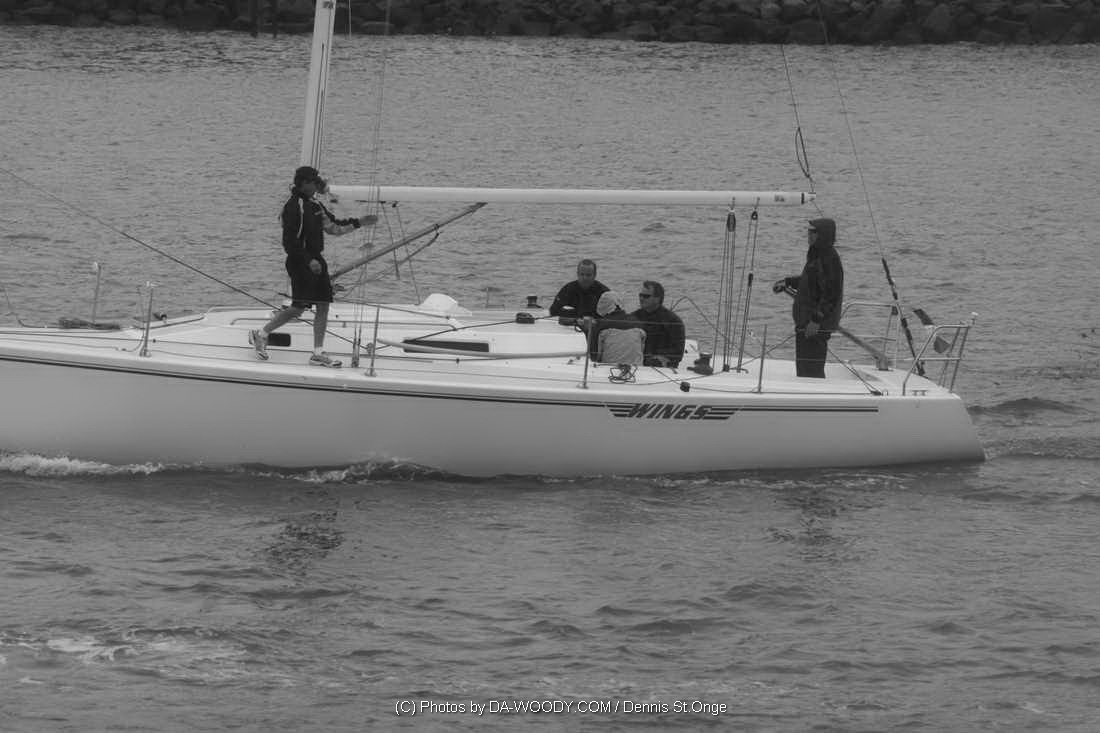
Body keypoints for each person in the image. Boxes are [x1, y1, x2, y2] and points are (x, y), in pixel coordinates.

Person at [250, 166, 376, 367]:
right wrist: (309, 260)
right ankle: (261, 334)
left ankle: (317, 353)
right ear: (303, 183)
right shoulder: (294, 206)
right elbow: (289, 242)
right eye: (313, 181)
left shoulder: (315, 204)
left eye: (317, 181)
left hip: (317, 260)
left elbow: (333, 227)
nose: (317, 185)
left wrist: (359, 223)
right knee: (298, 308)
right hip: (300, 261)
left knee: (323, 305)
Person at [771, 218, 844, 378]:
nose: (809, 234)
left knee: (812, 372)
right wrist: (788, 282)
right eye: (809, 231)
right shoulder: (816, 254)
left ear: (823, 235)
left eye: (814, 232)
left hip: (815, 326)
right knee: (804, 370)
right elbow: (810, 281)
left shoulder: (829, 259)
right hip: (805, 322)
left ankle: (817, 393)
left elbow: (831, 294)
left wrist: (816, 320)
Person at [631, 280, 686, 368]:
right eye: (640, 295)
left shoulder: (673, 321)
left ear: (657, 299)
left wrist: (657, 357)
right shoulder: (633, 317)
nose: (641, 298)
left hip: (661, 367)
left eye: (646, 296)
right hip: (636, 364)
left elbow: (678, 352)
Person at [588, 291, 644, 364]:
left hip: (608, 368)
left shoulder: (601, 325)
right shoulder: (638, 322)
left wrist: (587, 330)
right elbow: (642, 349)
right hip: (637, 368)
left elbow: (594, 356)